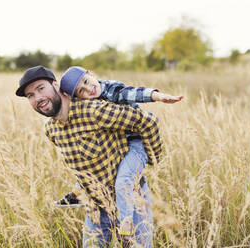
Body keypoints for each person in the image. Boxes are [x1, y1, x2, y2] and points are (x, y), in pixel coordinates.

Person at [16, 65, 163, 248]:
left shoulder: (94, 110)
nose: (37, 98)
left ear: (55, 85)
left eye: (40, 88)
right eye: (30, 95)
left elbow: (147, 121)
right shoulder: (51, 130)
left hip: (132, 203)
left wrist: (152, 158)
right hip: (95, 209)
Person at [56, 66, 183, 243]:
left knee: (123, 180)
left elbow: (134, 93)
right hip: (118, 147)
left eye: (86, 82)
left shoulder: (111, 90)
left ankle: (125, 224)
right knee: (88, 165)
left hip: (135, 144)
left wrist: (158, 96)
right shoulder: (86, 107)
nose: (88, 89)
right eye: (81, 91)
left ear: (91, 74)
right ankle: (76, 193)